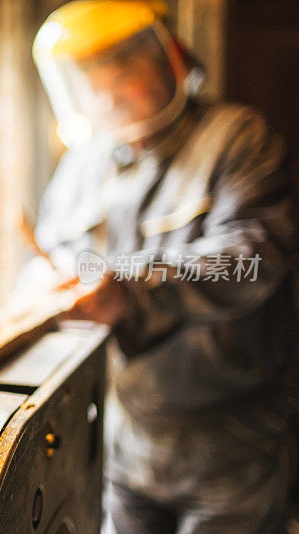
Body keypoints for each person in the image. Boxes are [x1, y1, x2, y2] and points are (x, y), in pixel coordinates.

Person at [29, 1, 298, 532]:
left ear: (171, 58)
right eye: (90, 84)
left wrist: (130, 288)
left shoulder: (237, 138)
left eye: (125, 74)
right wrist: (46, 283)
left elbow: (252, 259)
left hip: (231, 436)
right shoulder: (83, 164)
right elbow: (49, 257)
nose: (108, 97)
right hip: (123, 434)